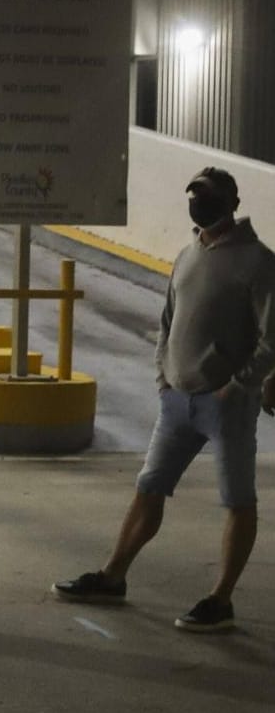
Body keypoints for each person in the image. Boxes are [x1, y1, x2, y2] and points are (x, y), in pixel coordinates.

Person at [56, 167, 275, 633]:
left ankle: (221, 598)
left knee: (237, 499)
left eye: (207, 197)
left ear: (232, 203)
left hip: (226, 405)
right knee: (149, 487)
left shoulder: (259, 263)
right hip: (177, 400)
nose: (197, 203)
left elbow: (271, 338)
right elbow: (169, 319)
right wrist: (164, 376)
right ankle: (114, 576)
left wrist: (237, 385)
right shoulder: (188, 254)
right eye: (194, 194)